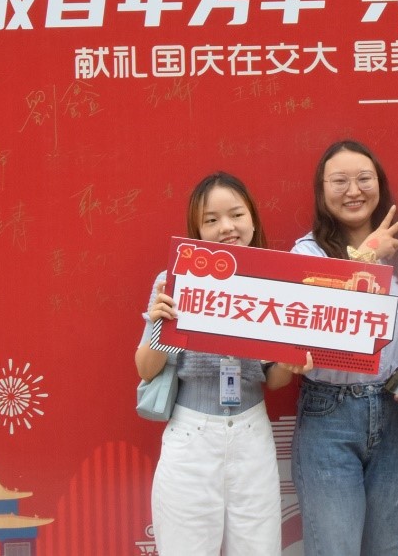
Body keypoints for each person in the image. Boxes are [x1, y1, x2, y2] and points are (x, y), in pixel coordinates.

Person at [136, 172, 311, 556]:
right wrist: (159, 324)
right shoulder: (174, 280)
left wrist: (291, 362)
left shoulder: (275, 284)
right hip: (191, 439)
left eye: (236, 215)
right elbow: (146, 370)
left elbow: (274, 380)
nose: (226, 227)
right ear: (197, 230)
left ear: (253, 220)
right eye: (211, 220)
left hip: (252, 437)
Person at [290, 140, 398, 556]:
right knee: (334, 548)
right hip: (329, 415)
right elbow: (323, 320)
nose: (353, 190)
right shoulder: (306, 254)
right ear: (322, 191)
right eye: (339, 181)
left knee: (386, 548)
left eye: (364, 179)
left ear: (380, 185)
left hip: (396, 414)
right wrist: (368, 259)